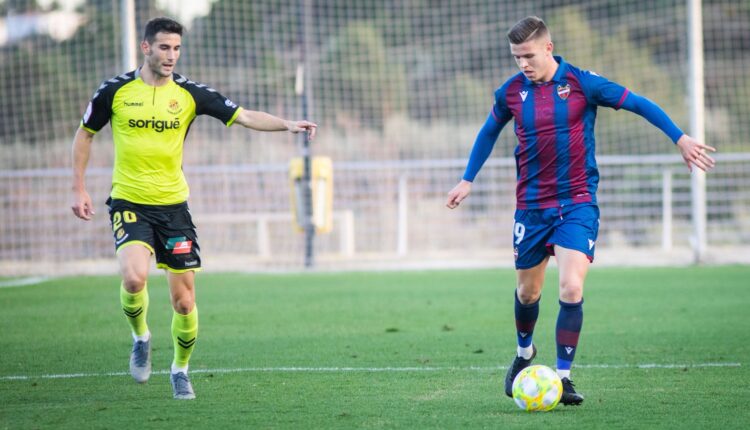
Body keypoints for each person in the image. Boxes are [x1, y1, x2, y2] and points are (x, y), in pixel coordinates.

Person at [446, 16, 715, 406]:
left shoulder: (582, 83)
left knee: (571, 287)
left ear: (548, 48)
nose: (522, 63)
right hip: (531, 207)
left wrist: (680, 137)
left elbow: (638, 103)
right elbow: (488, 132)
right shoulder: (510, 92)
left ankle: (564, 377)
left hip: (577, 203)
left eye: (528, 55)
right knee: (527, 291)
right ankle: (524, 354)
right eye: (516, 56)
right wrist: (467, 178)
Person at [71, 17, 317, 400]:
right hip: (129, 200)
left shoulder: (189, 94)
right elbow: (85, 134)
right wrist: (80, 188)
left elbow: (244, 115)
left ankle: (180, 370)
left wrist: (287, 124)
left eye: (177, 48)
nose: (171, 56)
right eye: (164, 47)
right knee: (134, 278)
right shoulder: (115, 91)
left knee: (183, 301)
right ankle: (141, 337)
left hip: (174, 208)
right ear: (146, 48)